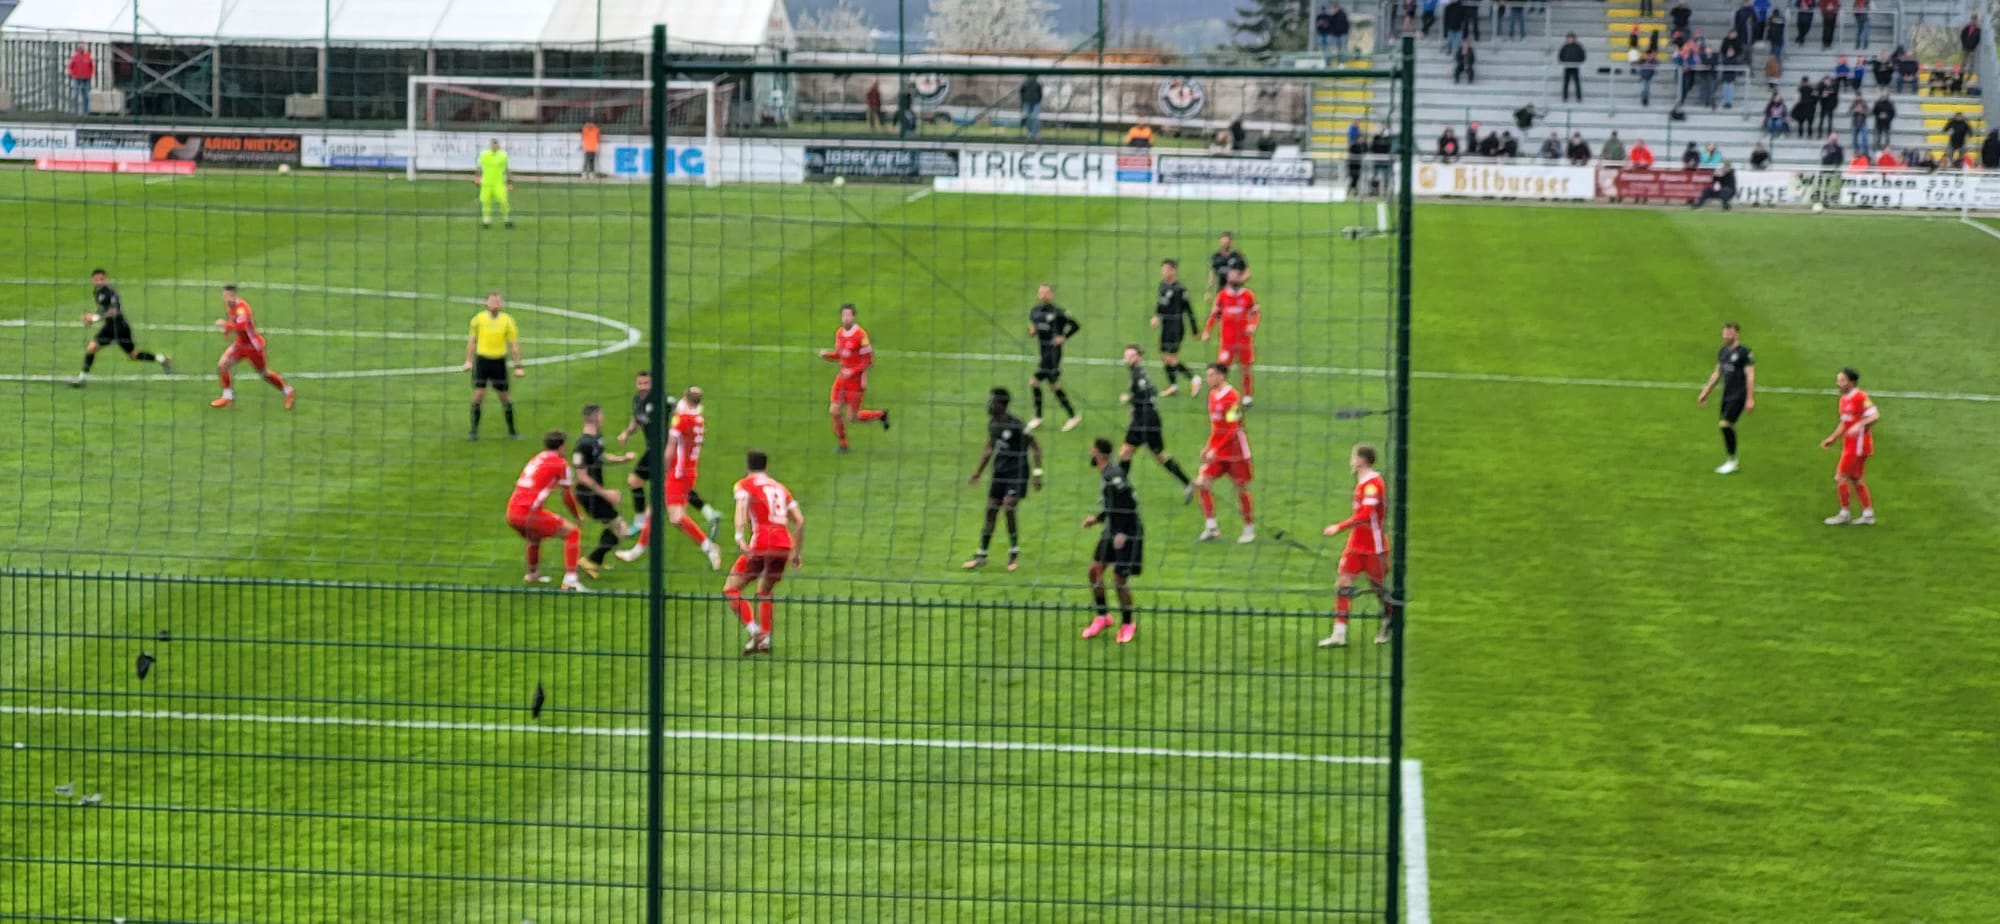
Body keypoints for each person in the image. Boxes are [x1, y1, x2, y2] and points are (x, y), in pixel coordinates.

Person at [617, 387, 723, 569]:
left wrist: (663, 471)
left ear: (685, 398)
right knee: (654, 509)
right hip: (688, 471)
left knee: (676, 518)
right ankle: (637, 551)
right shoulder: (698, 419)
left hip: (678, 474)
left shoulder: (680, 421)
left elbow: (671, 447)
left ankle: (709, 547)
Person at [723, 450, 803, 655]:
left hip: (761, 543)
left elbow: (741, 506)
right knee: (765, 591)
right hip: (783, 545)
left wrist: (739, 536)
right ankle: (764, 639)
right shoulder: (780, 487)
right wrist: (795, 552)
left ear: (748, 467)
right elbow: (800, 521)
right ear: (766, 467)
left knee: (731, 588)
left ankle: (755, 631)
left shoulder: (744, 485)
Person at [1318, 443, 1393, 648]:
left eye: (1353, 457)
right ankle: (1339, 633)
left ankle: (1390, 618)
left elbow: (1366, 515)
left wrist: (1338, 527)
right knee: (1343, 582)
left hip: (1374, 547)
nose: (1350, 461)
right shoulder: (1363, 483)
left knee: (1377, 588)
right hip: (1355, 545)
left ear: (1361, 460)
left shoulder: (1372, 484)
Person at [965, 388, 1042, 572]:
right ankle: (981, 555)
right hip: (999, 473)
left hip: (1017, 474)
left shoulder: (1017, 425)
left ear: (1002, 404)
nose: (989, 404)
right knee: (991, 510)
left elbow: (1035, 446)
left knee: (1008, 506)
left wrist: (1038, 473)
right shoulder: (992, 424)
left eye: (993, 401)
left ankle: (1013, 554)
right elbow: (989, 449)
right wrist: (978, 473)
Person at [1081, 437, 1144, 643]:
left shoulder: (1114, 476)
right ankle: (1102, 616)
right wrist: (1097, 519)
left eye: (1092, 450)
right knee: (1094, 571)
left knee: (1119, 581)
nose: (1090, 453)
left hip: (1128, 532)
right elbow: (1113, 506)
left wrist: (1122, 534)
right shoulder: (1106, 473)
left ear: (1098, 454)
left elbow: (1129, 505)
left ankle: (1128, 624)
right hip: (1112, 529)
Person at [507, 431, 587, 591]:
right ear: (562, 446)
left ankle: (532, 574)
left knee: (535, 537)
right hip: (528, 513)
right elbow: (567, 495)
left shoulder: (537, 458)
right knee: (573, 533)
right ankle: (571, 579)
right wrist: (577, 515)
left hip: (512, 511)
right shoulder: (560, 464)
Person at [70, 268, 171, 387]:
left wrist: (95, 318)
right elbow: (102, 309)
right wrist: (91, 318)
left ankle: (162, 359)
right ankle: (82, 379)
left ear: (105, 279)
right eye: (96, 279)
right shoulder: (97, 292)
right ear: (92, 280)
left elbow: (114, 311)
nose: (99, 282)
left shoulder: (111, 293)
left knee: (132, 355)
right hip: (109, 327)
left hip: (119, 327)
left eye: (101, 279)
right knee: (95, 349)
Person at [1193, 363, 1254, 544]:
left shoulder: (1232, 397)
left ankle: (1249, 528)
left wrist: (1215, 449)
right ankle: (1211, 527)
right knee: (1202, 483)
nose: (1208, 379)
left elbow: (1233, 428)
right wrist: (1207, 447)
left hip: (1235, 452)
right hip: (1217, 452)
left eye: (1211, 375)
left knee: (1240, 488)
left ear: (1221, 376)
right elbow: (1217, 428)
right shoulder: (1212, 395)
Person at [1117, 345, 1193, 489]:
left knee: (1160, 456)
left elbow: (1146, 394)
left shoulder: (1138, 374)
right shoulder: (1137, 372)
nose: (1127, 359)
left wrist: (1129, 399)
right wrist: (1134, 408)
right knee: (1125, 452)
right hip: (1140, 419)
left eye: (1131, 356)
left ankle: (1188, 484)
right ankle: (1119, 489)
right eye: (1126, 356)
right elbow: (1153, 391)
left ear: (1138, 357)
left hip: (1148, 420)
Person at [819, 302, 890, 453]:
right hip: (842, 379)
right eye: (843, 315)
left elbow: (869, 361)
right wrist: (828, 355)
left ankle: (881, 414)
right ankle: (843, 444)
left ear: (854, 317)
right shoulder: (839, 333)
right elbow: (839, 355)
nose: (845, 318)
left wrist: (852, 371)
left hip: (856, 382)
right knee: (834, 410)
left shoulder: (861, 336)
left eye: (848, 315)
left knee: (853, 417)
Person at [571, 403, 631, 578]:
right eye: (602, 415)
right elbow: (581, 476)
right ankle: (590, 561)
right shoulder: (582, 445)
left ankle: (594, 561)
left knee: (615, 526)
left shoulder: (597, 438)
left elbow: (602, 457)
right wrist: (607, 493)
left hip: (595, 494)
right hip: (588, 495)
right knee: (621, 529)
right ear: (596, 417)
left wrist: (622, 459)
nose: (603, 418)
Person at [210, 285, 293, 410]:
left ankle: (288, 391)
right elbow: (235, 323)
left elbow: (242, 326)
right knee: (223, 365)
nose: (227, 299)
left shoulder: (242, 308)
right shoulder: (229, 307)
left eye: (229, 296)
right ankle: (227, 397)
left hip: (253, 347)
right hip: (240, 344)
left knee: (264, 374)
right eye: (225, 296)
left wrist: (226, 324)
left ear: (235, 295)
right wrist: (227, 329)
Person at [1820, 368, 1878, 525]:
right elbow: (1845, 422)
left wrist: (1859, 425)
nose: (1838, 384)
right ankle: (1868, 515)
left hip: (1858, 446)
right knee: (1857, 479)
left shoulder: (1861, 397)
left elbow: (1874, 415)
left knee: (1840, 477)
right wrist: (1833, 437)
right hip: (1851, 446)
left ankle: (1844, 513)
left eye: (1841, 381)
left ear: (1851, 382)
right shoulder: (1844, 399)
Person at [463, 290, 524, 440]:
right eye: (492, 301)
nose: (495, 304)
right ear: (486, 303)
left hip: (499, 363)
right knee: (478, 396)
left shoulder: (507, 321)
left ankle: (512, 431)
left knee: (505, 397)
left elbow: (513, 345)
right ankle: (473, 431)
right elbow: (472, 341)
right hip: (482, 362)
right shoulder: (478, 319)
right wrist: (469, 360)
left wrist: (518, 366)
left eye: (497, 302)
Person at [1696, 323, 1756, 473]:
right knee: (1729, 426)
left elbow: (1750, 375)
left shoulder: (1744, 353)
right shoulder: (1722, 352)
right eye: (1724, 332)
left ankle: (1732, 461)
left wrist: (1750, 398)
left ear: (1737, 334)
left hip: (1739, 394)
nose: (1726, 335)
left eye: (1729, 332)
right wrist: (1705, 392)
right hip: (1727, 395)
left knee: (1724, 424)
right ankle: (1732, 460)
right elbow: (1717, 373)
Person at [1027, 285, 1082, 432]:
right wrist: (1031, 332)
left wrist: (1064, 337)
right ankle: (1070, 416)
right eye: (1041, 292)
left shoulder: (1058, 312)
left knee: (1036, 382)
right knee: (1049, 385)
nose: (1043, 295)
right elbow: (1033, 329)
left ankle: (1044, 417)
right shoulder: (1035, 311)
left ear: (1051, 294)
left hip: (1053, 354)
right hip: (1043, 352)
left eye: (1046, 292)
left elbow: (1076, 325)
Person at [1202, 268, 1260, 403]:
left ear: (1240, 278)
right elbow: (1214, 315)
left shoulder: (1248, 295)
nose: (1233, 278)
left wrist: (1253, 325)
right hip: (1227, 341)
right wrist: (1207, 331)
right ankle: (1220, 394)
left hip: (1244, 340)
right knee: (1221, 369)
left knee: (1245, 368)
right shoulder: (1222, 296)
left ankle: (1247, 396)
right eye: (1231, 276)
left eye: (1236, 275)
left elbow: (1255, 312)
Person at [1152, 259, 1199, 396]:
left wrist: (1195, 330)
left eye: (1167, 269)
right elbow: (1160, 304)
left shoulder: (1180, 289)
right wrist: (1156, 316)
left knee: (1170, 358)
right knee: (1163, 356)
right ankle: (1173, 386)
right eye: (1163, 269)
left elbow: (1189, 310)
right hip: (1165, 326)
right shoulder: (1162, 285)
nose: (1164, 272)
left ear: (1173, 271)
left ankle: (1194, 379)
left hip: (1176, 327)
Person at [474, 138, 513, 229]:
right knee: (485, 202)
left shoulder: (503, 155)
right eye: (493, 145)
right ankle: (486, 221)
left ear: (498, 146)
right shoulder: (484, 154)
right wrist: (477, 178)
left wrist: (510, 182)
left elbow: (507, 169)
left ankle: (506, 220)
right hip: (486, 183)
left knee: (503, 200)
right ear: (490, 145)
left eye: (496, 145)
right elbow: (479, 167)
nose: (494, 146)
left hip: (499, 183)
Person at [1559, 33, 1587, 101]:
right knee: (1566, 83)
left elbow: (1583, 56)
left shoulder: (1578, 47)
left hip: (1575, 67)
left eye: (1571, 38)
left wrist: (1578, 62)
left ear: (1574, 39)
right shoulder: (1564, 47)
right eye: (1569, 38)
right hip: (1567, 67)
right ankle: (1565, 97)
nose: (1570, 39)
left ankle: (1579, 98)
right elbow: (1560, 56)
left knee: (1577, 83)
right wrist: (1564, 62)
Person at [66, 45, 93, 115]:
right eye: (80, 47)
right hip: (77, 77)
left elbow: (91, 66)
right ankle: (75, 111)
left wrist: (90, 75)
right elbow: (70, 66)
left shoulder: (87, 55)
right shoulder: (74, 56)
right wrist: (72, 74)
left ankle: (86, 111)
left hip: (85, 78)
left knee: (86, 95)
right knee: (76, 94)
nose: (82, 48)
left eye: (83, 47)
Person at [1019, 75, 1044, 140]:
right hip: (1028, 102)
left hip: (1035, 102)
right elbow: (1021, 92)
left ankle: (1036, 133)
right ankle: (1029, 133)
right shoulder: (1025, 83)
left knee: (1035, 118)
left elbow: (1040, 93)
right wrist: (1023, 100)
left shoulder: (1037, 84)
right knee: (1028, 118)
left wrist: (1038, 100)